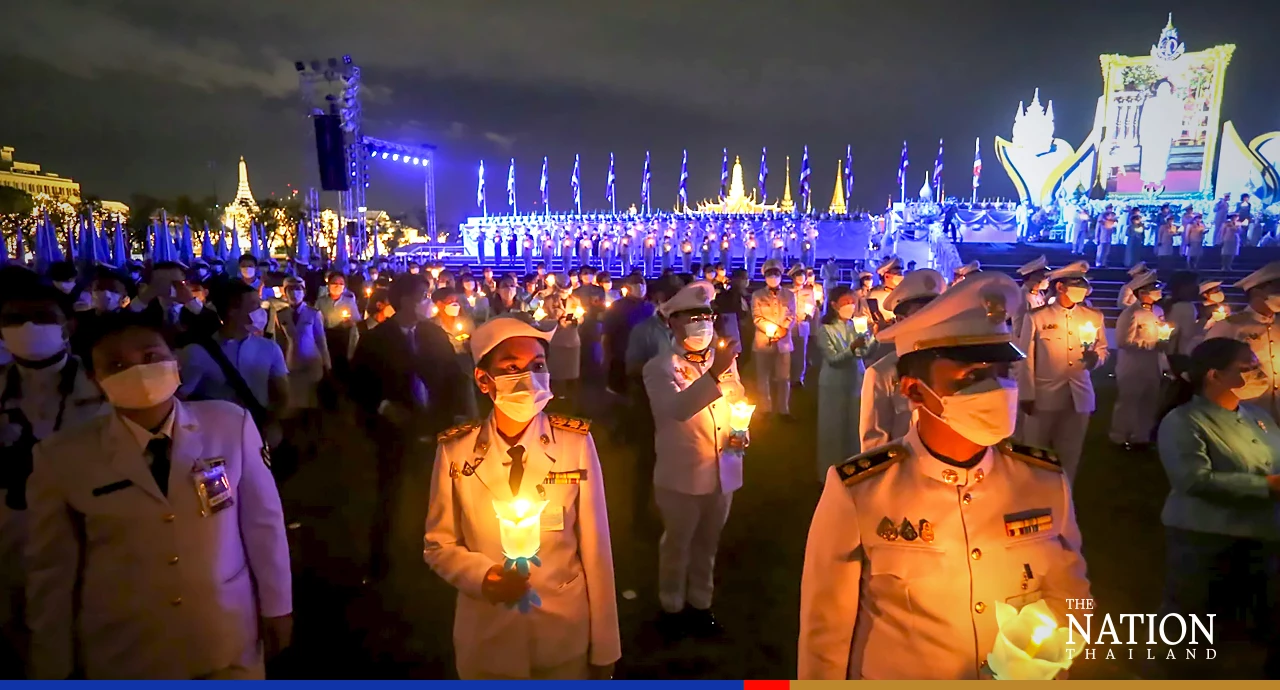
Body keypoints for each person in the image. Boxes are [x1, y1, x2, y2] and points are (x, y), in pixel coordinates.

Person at [798, 272, 1091, 680]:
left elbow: (1072, 597)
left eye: (1004, 372)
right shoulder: (861, 492)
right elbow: (825, 636)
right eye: (973, 376)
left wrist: (1042, 662)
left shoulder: (1043, 481)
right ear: (914, 391)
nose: (999, 389)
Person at [25, 313, 292, 679]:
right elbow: (52, 570)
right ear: (94, 378)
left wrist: (277, 606)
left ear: (175, 361)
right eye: (117, 365)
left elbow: (264, 523)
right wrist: (52, 663)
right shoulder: (63, 456)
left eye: (150, 357)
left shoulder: (229, 424)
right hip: (126, 650)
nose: (138, 371)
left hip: (226, 636)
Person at [422, 314, 620, 680]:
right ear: (484, 380)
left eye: (538, 366)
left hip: (562, 633)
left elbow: (597, 549)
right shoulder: (457, 451)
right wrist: (483, 577)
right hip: (487, 636)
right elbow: (439, 544)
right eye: (512, 368)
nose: (529, 377)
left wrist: (606, 644)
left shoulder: (574, 443)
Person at [1155, 337, 1280, 679]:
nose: (1258, 373)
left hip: (1262, 535)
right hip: (1206, 538)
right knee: (1196, 624)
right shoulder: (1184, 421)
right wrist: (1266, 486)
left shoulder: (1257, 416)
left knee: (1252, 623)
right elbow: (1193, 480)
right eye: (1247, 367)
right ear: (1215, 375)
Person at [0, 283, 107, 676]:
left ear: (68, 326)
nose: (28, 327)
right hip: (9, 536)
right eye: (14, 319)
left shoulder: (102, 386)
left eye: (42, 317)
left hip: (89, 536)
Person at [350, 274, 470, 582]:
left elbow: (453, 375)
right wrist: (384, 406)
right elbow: (358, 384)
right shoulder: (376, 339)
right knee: (390, 491)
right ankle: (380, 558)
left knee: (434, 492)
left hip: (435, 424)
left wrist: (460, 413)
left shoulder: (433, 333)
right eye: (423, 296)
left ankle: (432, 550)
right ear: (405, 301)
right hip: (394, 430)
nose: (429, 303)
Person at [643, 281, 746, 639]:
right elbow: (677, 409)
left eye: (707, 317)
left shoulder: (723, 362)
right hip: (682, 476)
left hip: (724, 470)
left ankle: (701, 603)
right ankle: (671, 605)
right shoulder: (660, 367)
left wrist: (742, 431)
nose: (703, 325)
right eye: (693, 318)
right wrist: (716, 373)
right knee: (678, 544)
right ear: (673, 322)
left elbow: (738, 402)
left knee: (708, 544)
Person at [1018, 260, 1108, 482]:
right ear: (1060, 287)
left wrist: (1096, 359)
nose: (1083, 288)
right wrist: (1026, 394)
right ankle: (1035, 492)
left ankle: (1064, 493)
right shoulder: (1037, 317)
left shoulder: (1093, 316)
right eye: (1077, 284)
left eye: (1084, 284)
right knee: (1036, 450)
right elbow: (1026, 359)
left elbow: (1103, 349)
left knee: (1070, 452)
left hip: (1079, 396)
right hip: (1044, 396)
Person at [177, 282, 289, 446]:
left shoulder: (269, 348)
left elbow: (283, 394)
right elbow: (181, 402)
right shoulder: (197, 352)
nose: (261, 311)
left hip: (258, 433)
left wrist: (273, 422)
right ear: (232, 310)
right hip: (215, 438)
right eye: (254, 305)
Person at [858, 269, 945, 451]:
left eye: (936, 311)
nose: (931, 319)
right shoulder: (882, 373)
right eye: (922, 312)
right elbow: (875, 444)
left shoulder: (954, 365)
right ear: (901, 319)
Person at [1208, 261, 1280, 421]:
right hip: (1245, 411)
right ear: (1257, 291)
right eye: (1277, 288)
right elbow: (1209, 370)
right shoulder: (1231, 326)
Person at [815, 286, 869, 480]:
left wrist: (874, 337)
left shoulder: (856, 326)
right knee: (834, 428)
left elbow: (865, 353)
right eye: (845, 302)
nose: (850, 306)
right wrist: (851, 349)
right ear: (834, 305)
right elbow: (833, 360)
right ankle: (829, 474)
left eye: (853, 302)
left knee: (854, 426)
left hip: (856, 381)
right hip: (834, 384)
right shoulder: (825, 330)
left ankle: (854, 471)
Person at [1110, 272, 1167, 449]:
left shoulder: (1158, 311)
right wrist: (1152, 344)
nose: (1158, 291)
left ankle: (1141, 436)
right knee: (1129, 401)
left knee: (1149, 401)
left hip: (1153, 365)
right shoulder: (1131, 313)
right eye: (1154, 288)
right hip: (1133, 366)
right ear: (1142, 292)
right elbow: (1123, 342)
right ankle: (1120, 436)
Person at [272, 276, 331, 417]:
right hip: (291, 364)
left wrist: (327, 365)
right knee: (295, 403)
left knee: (312, 402)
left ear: (304, 292)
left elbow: (321, 341)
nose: (294, 293)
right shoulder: (280, 315)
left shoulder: (313, 313)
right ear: (285, 292)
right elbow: (278, 341)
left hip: (312, 363)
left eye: (298, 289)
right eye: (290, 289)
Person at [751, 259, 796, 420]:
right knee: (763, 376)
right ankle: (765, 408)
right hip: (763, 342)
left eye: (776, 273)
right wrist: (772, 330)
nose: (773, 277)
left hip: (784, 342)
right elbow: (757, 317)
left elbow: (791, 315)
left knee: (784, 377)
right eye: (769, 274)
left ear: (781, 275)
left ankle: (783, 410)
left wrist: (784, 329)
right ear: (764, 276)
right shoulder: (757, 295)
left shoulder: (789, 295)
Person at [789, 264, 817, 388]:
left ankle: (799, 378)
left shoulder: (809, 292)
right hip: (789, 325)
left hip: (803, 325)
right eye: (798, 275)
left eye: (802, 275)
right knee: (788, 352)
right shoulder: (787, 291)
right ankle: (787, 376)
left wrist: (808, 315)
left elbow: (812, 306)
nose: (801, 277)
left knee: (801, 352)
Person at [1013, 255, 1049, 340]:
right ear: (1033, 277)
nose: (1046, 279)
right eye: (1043, 276)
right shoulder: (1021, 297)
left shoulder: (1039, 293)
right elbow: (1019, 329)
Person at [865, 257, 903, 323]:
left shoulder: (904, 292)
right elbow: (870, 319)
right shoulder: (874, 295)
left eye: (901, 274)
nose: (901, 276)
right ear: (886, 276)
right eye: (897, 274)